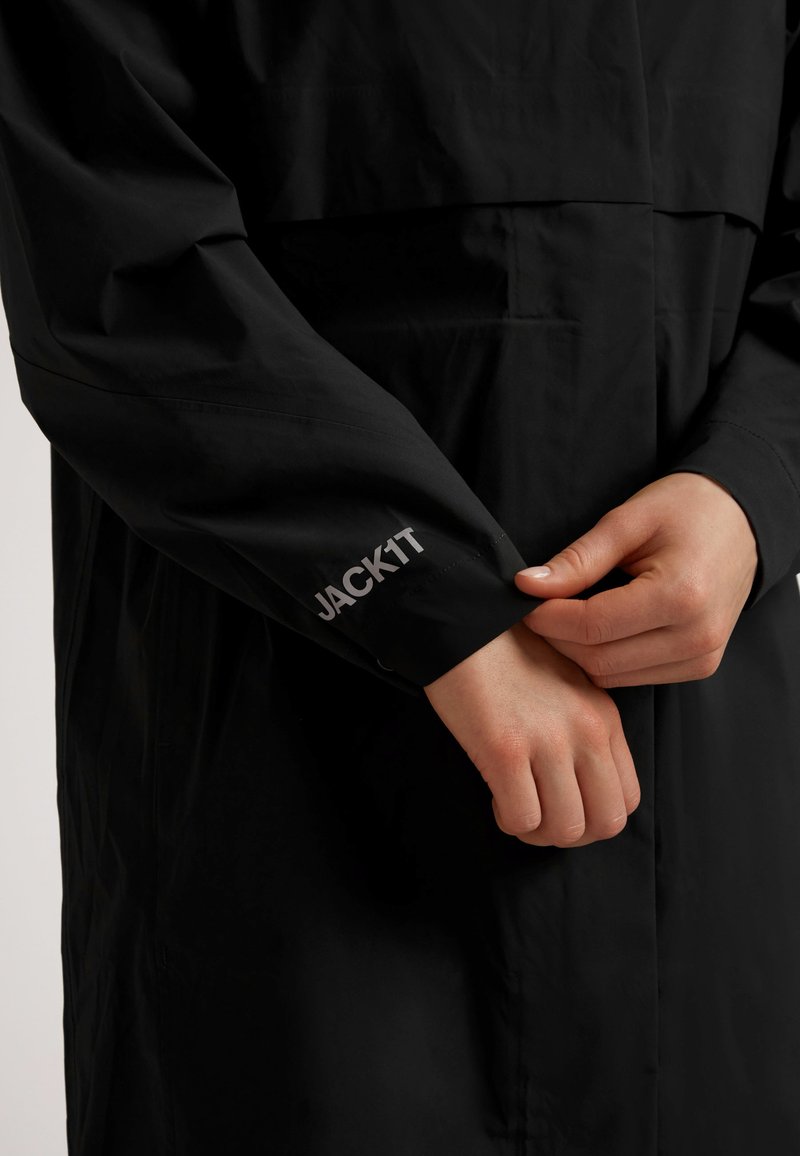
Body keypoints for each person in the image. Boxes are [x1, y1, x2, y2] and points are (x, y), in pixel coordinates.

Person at [1, 1, 799, 1153]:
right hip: (284, 770)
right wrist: (428, 599)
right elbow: (110, 248)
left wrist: (754, 486)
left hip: (706, 782)